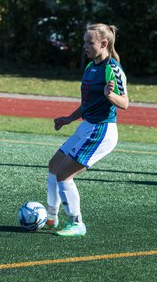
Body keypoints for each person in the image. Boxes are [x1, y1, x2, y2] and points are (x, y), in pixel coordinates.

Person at [46, 23, 129, 237]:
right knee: (54, 166)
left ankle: (77, 223)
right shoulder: (90, 67)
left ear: (104, 44)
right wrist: (68, 119)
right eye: (84, 42)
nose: (85, 46)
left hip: (102, 130)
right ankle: (50, 217)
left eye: (89, 42)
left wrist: (110, 95)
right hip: (87, 126)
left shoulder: (113, 68)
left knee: (64, 174)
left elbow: (125, 103)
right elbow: (87, 104)